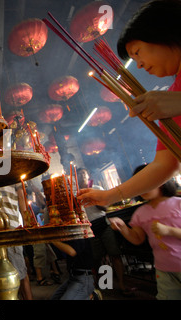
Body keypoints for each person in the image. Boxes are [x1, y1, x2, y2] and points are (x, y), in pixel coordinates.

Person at [78, 0, 181, 208]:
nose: (139, 64)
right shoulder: (167, 99)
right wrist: (109, 196)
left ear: (162, 33)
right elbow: (165, 164)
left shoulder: (171, 100)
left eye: (138, 52)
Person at [109, 164, 181, 300]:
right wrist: (123, 227)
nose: (142, 187)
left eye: (146, 183)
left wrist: (169, 231)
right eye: (139, 184)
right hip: (163, 268)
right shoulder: (140, 213)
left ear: (161, 181)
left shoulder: (178, 204)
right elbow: (137, 239)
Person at [77, 168, 132, 296]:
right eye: (78, 174)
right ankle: (103, 283)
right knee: (97, 258)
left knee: (115, 254)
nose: (81, 176)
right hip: (89, 227)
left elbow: (106, 206)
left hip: (103, 223)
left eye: (83, 174)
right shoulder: (76, 194)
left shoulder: (97, 188)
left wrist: (95, 200)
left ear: (88, 175)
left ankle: (122, 284)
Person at [0, 184, 33, 299]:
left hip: (10, 225)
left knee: (19, 270)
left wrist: (26, 220)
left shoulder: (14, 167)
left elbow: (21, 196)